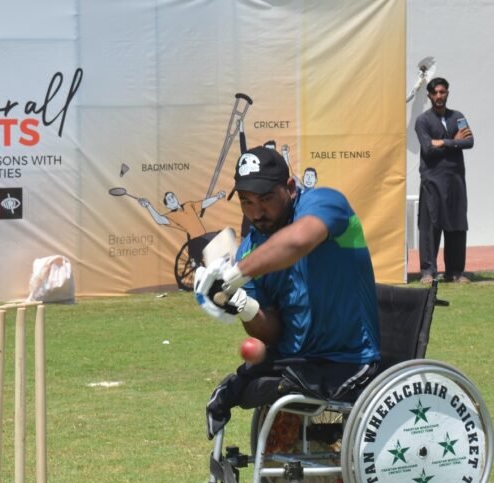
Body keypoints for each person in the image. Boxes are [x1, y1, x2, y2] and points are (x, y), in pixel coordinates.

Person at [193, 146, 381, 440]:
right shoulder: (251, 248)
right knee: (233, 391)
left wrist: (235, 275)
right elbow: (270, 332)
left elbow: (297, 242)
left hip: (350, 360)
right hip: (296, 362)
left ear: (290, 188)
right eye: (246, 202)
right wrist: (243, 305)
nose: (257, 212)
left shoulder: (326, 203)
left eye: (266, 198)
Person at [414, 77, 474, 284]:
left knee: (457, 224)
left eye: (443, 92)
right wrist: (454, 142)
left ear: (447, 93)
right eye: (435, 93)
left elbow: (469, 141)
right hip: (433, 180)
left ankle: (455, 272)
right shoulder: (423, 120)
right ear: (430, 95)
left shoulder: (458, 117)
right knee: (430, 225)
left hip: (456, 179)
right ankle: (428, 272)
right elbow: (428, 149)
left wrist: (444, 142)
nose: (439, 96)